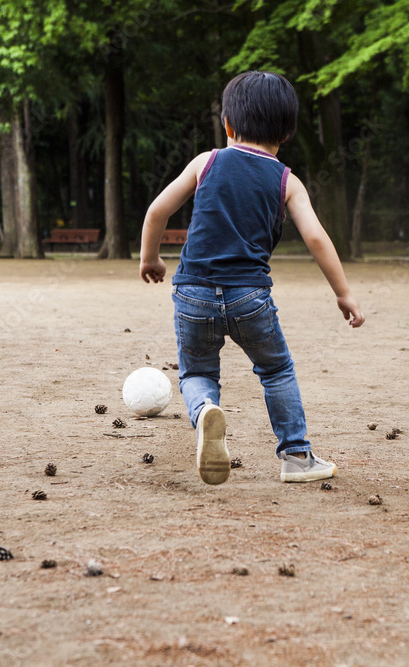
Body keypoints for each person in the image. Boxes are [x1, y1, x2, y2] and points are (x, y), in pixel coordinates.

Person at [139, 71, 365, 486]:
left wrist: (150, 258)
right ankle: (296, 457)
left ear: (227, 124)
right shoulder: (286, 181)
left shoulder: (206, 162)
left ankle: (205, 409)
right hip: (250, 297)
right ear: (287, 131)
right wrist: (344, 294)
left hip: (193, 293)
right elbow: (316, 237)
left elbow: (157, 210)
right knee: (276, 371)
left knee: (196, 373)